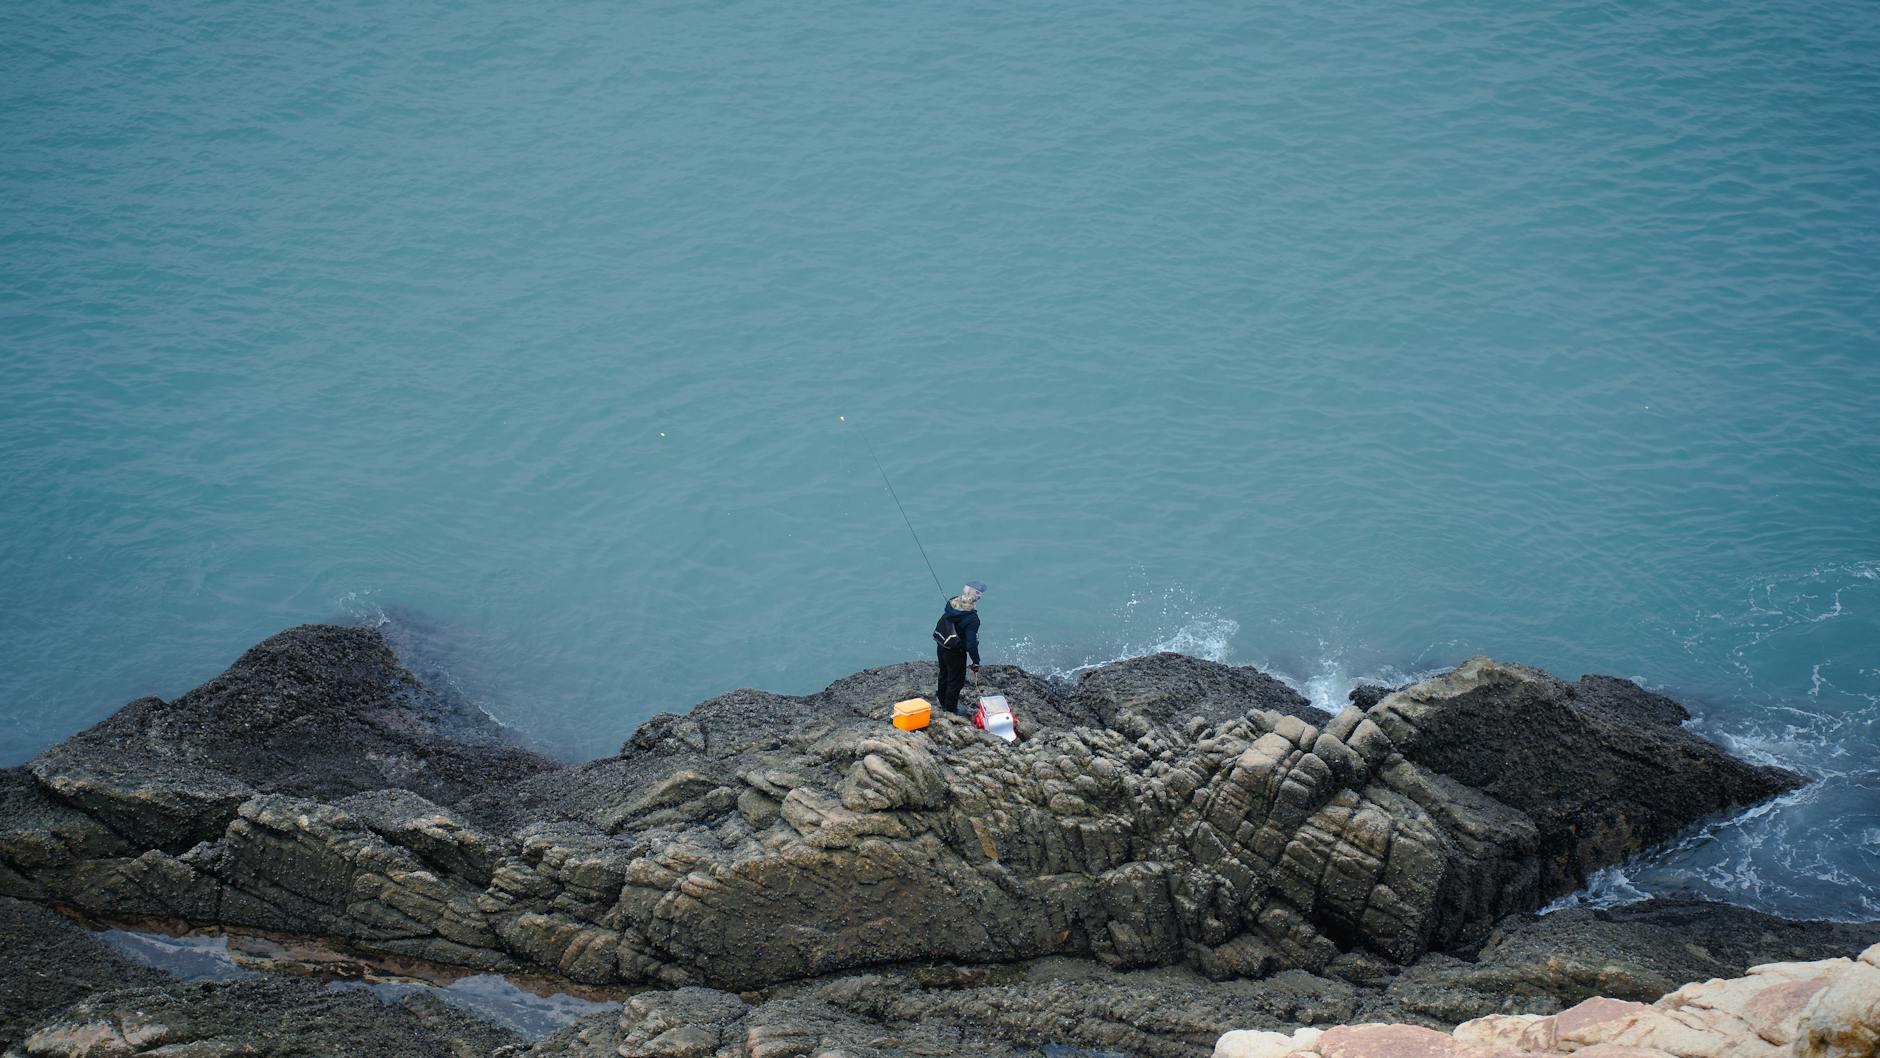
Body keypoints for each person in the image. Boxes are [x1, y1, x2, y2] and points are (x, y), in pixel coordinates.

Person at [934, 581, 985, 715]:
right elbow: (971, 644)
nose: (980, 596)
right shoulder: (972, 619)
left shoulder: (951, 603)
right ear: (973, 594)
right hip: (956, 651)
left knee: (944, 673)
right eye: (978, 593)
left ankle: (942, 700)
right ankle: (950, 709)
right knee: (955, 681)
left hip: (942, 645)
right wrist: (976, 661)